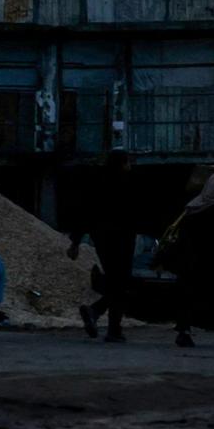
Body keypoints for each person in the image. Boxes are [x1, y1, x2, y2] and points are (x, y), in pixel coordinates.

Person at [68, 147, 140, 342]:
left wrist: (75, 242)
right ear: (122, 163)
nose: (130, 166)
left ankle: (105, 321)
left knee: (116, 282)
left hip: (102, 239)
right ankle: (104, 320)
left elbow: (85, 212)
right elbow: (136, 213)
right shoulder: (126, 184)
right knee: (120, 284)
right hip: (122, 240)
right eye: (127, 162)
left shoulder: (97, 183)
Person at [173, 168, 214, 350]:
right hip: (212, 263)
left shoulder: (192, 208)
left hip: (189, 262)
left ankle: (184, 333)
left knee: (188, 296)